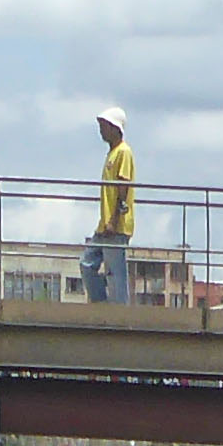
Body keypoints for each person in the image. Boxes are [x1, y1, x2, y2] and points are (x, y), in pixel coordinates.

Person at [85, 107, 137, 306]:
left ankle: (120, 312)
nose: (101, 131)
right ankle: (101, 304)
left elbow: (123, 186)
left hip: (115, 224)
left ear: (116, 128)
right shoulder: (112, 153)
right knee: (87, 263)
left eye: (104, 126)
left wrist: (114, 219)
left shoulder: (123, 152)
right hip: (105, 223)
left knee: (115, 272)